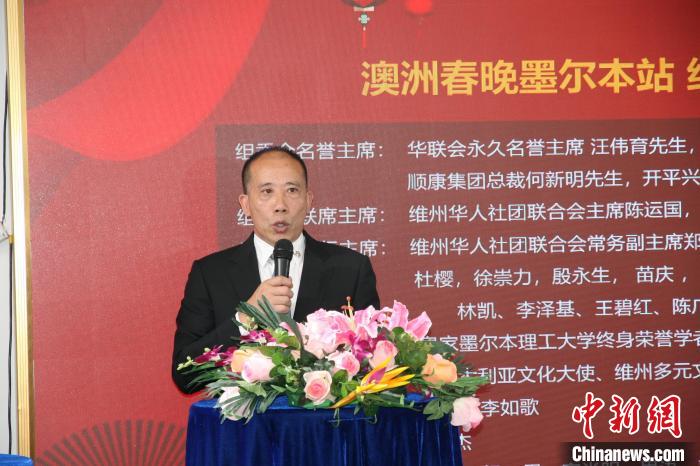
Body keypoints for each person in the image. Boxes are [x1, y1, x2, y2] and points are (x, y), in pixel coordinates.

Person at [172, 147, 380, 393]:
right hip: (244, 419)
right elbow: (185, 375)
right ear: (245, 204)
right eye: (267, 191)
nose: (280, 205)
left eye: (292, 190)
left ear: (308, 200)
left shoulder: (351, 269)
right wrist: (245, 318)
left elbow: (373, 366)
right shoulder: (210, 274)